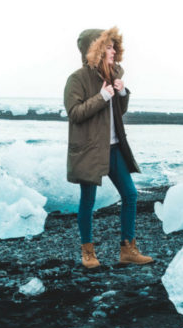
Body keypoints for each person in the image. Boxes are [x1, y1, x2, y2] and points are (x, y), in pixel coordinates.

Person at [64, 27, 153, 269]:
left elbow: (118, 112)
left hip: (114, 148)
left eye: (115, 46)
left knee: (130, 194)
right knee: (88, 201)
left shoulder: (113, 75)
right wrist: (102, 96)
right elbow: (75, 114)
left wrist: (122, 93)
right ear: (95, 50)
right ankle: (88, 252)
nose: (113, 51)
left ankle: (128, 250)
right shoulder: (77, 79)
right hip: (90, 149)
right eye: (108, 47)